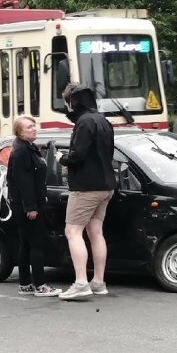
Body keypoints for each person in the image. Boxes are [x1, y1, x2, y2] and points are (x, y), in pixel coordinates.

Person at [54, 82, 116, 300]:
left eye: (67, 102)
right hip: (106, 186)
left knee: (73, 232)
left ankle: (81, 282)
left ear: (73, 101)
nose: (67, 107)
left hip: (86, 187)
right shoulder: (103, 121)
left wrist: (62, 158)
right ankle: (98, 282)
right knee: (96, 233)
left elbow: (78, 156)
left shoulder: (83, 123)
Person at [7, 116, 61, 297]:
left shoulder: (27, 148)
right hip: (28, 207)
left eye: (34, 126)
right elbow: (24, 182)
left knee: (26, 243)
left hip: (24, 205)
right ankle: (40, 285)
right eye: (29, 127)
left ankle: (24, 284)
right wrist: (31, 207)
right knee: (37, 243)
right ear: (20, 132)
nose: (34, 129)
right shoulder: (22, 152)